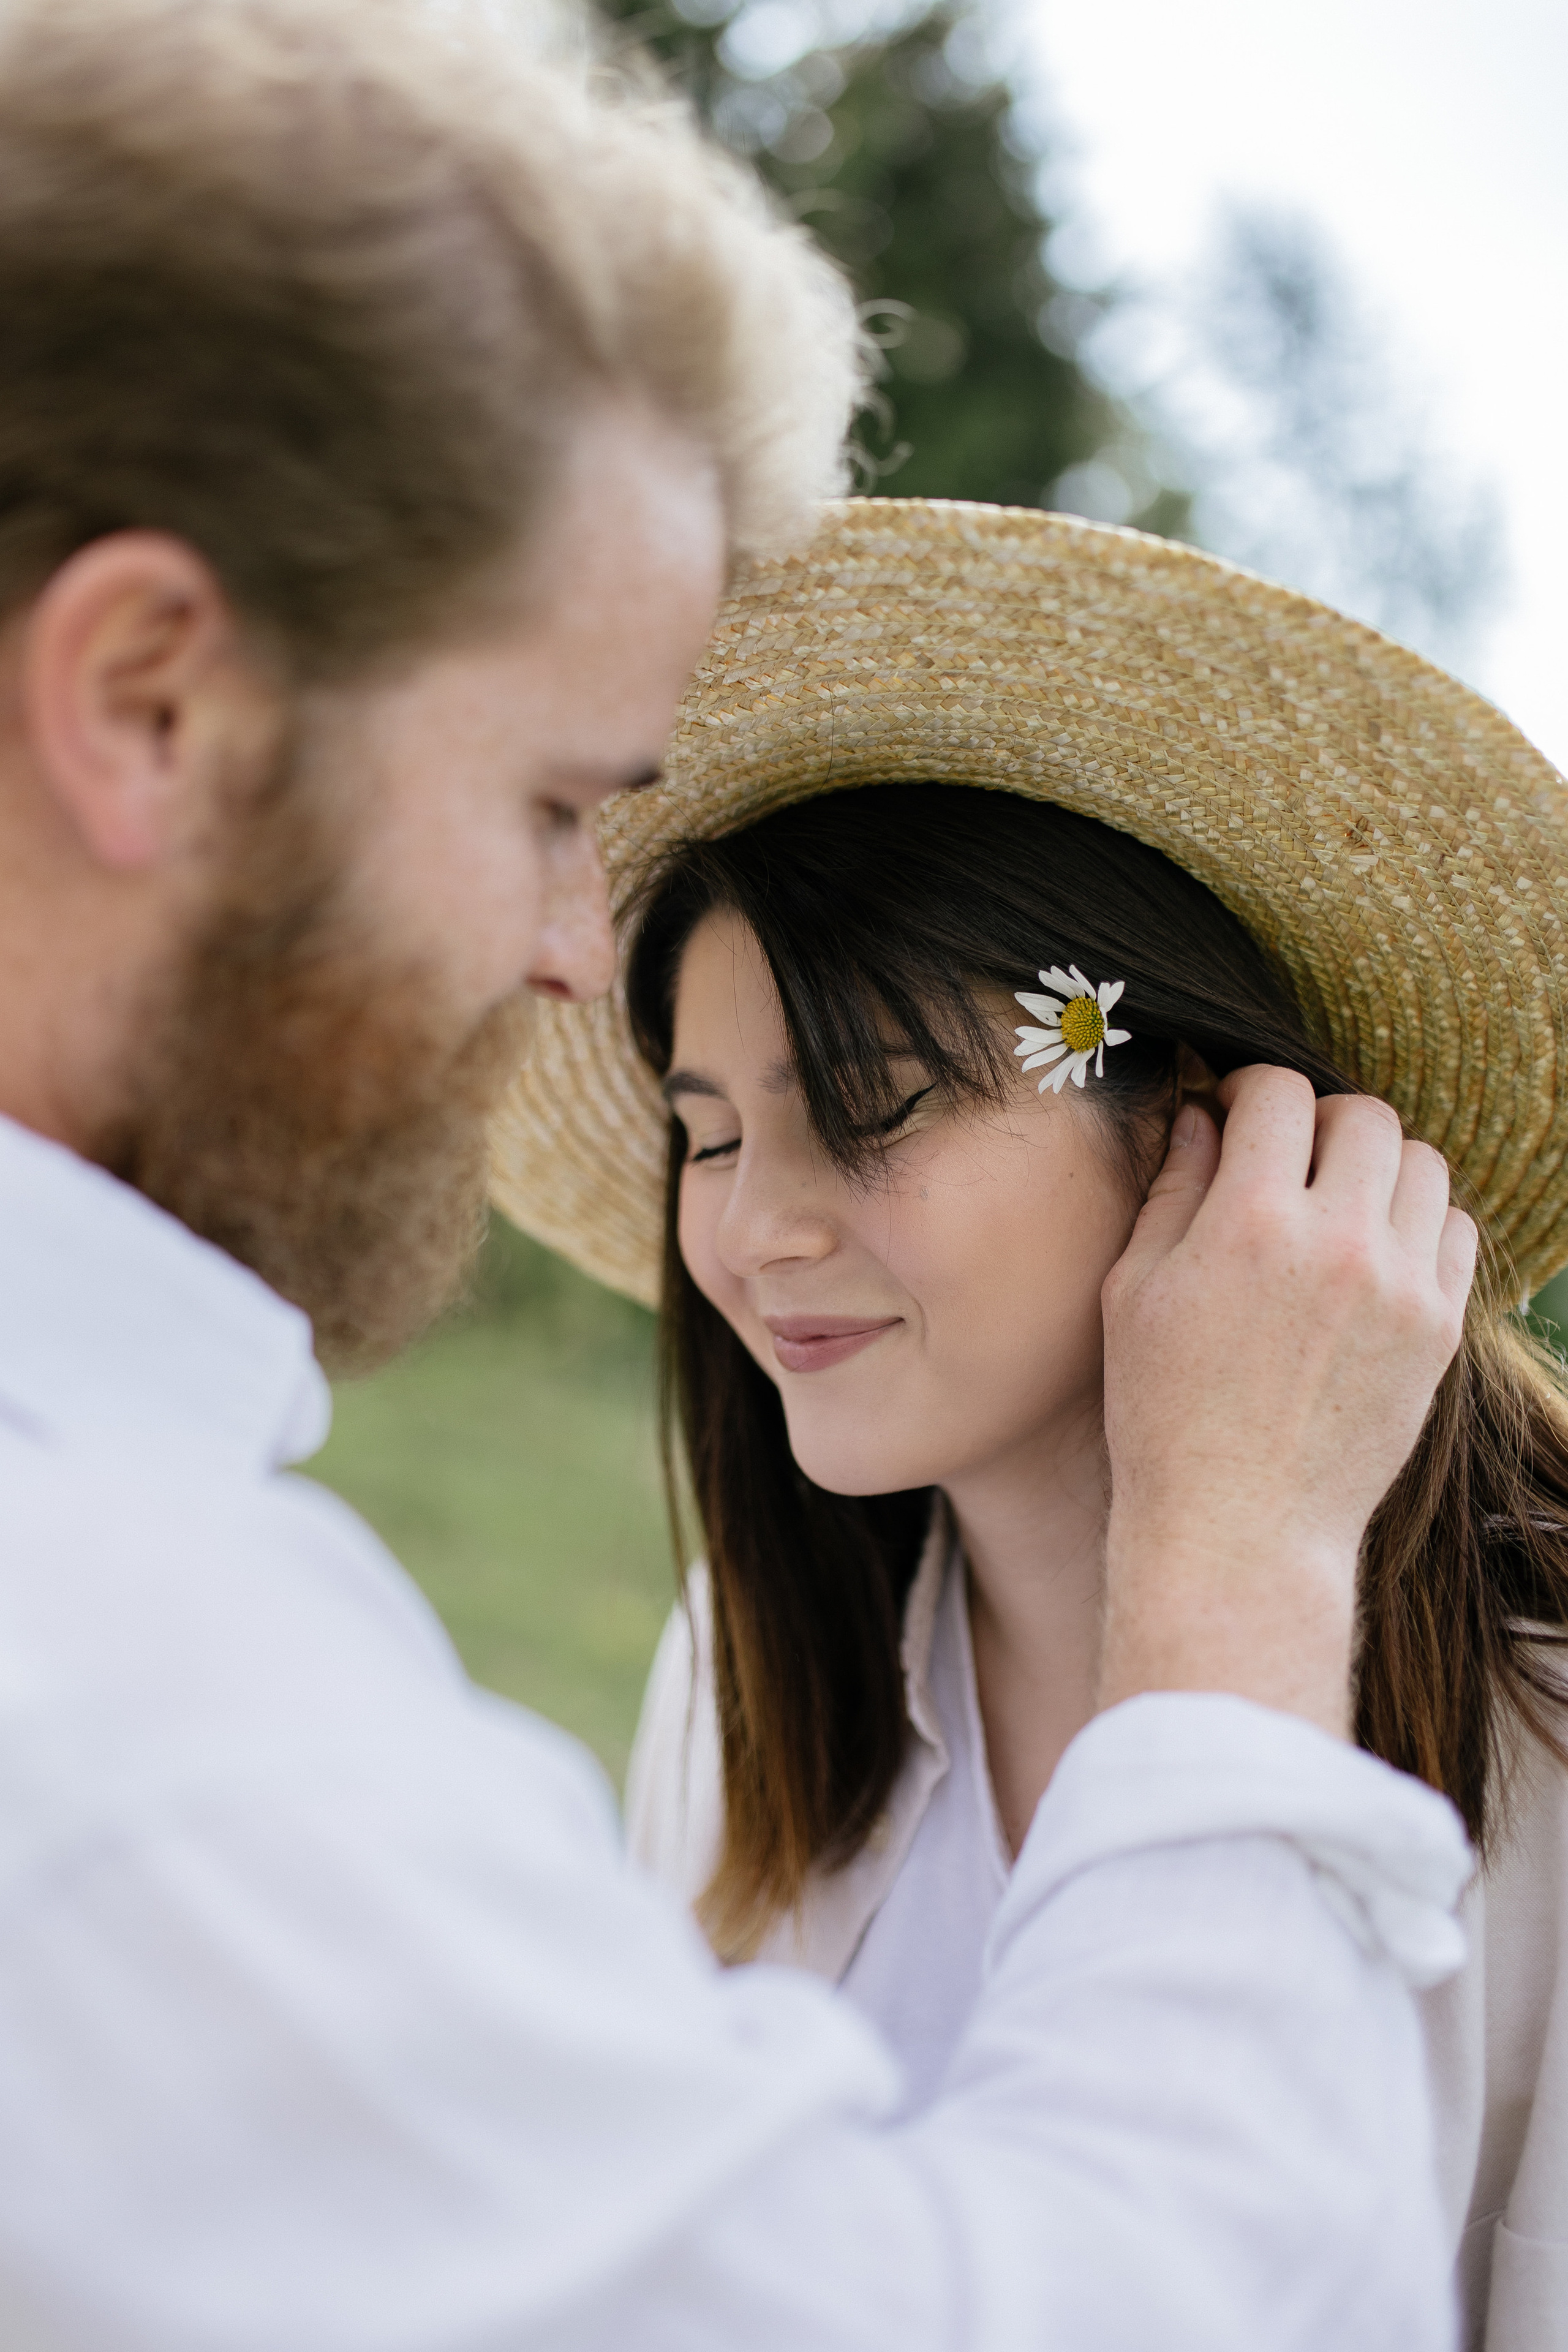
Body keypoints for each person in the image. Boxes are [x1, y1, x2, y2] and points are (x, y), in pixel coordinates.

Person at [0, 3, 1474, 2346]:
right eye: (550, 807)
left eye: (878, 1103)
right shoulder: (154, 1722)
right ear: (149, 705)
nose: (578, 954)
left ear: (1188, 1109)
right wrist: (1239, 1600)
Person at [491, 497, 1568, 2350]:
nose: (752, 1230)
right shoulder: (742, 1674)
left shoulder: (1538, 1728)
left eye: (875, 1104)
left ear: (1203, 1130)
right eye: (711, 1131)